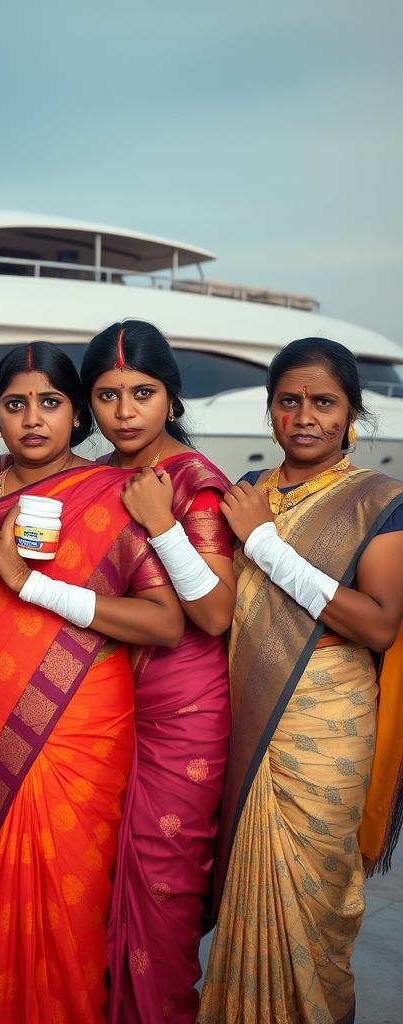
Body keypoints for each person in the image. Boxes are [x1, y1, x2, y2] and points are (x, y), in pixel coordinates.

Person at [0, 341, 184, 1024]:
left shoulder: (110, 495)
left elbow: (163, 623)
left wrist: (30, 584)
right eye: (15, 404)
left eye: (50, 402)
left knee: (69, 899)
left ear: (76, 416)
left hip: (79, 723)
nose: (32, 419)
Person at [198, 337, 403, 1024]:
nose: (305, 416)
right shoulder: (243, 496)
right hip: (249, 718)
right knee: (249, 904)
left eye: (324, 402)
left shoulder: (378, 501)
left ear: (351, 413)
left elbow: (377, 625)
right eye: (290, 401)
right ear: (271, 412)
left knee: (313, 908)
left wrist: (264, 547)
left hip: (327, 728)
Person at [75, 320, 234, 1024]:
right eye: (107, 395)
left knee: (163, 889)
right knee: (101, 882)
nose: (125, 411)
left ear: (171, 396)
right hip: (107, 697)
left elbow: (216, 614)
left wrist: (161, 524)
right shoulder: (96, 479)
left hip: (185, 708)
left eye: (143, 392)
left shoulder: (196, 484)